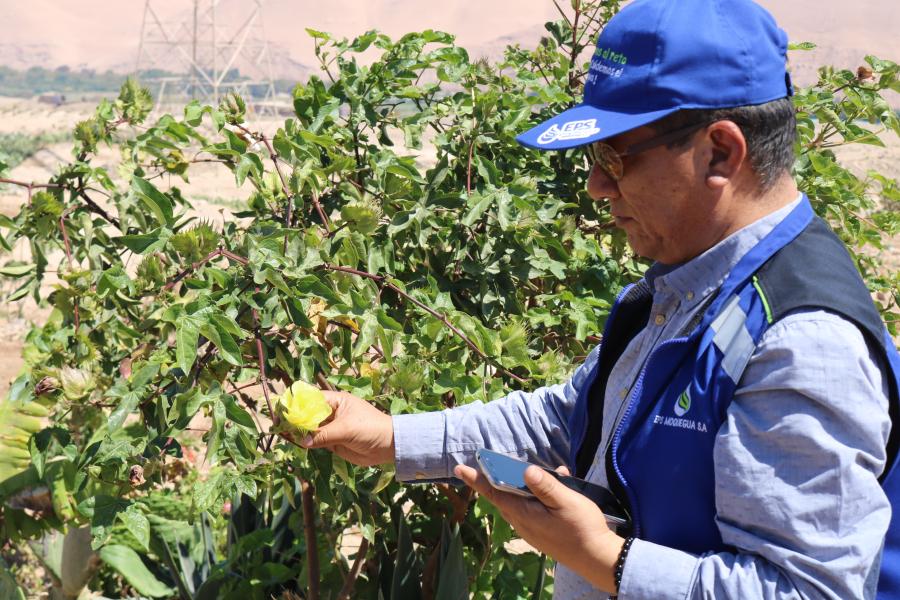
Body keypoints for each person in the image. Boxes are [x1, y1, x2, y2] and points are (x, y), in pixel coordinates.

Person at [300, 0, 900, 597]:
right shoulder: (689, 284)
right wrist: (393, 438)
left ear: (720, 151)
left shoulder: (802, 341)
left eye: (615, 156)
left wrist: (603, 558)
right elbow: (576, 416)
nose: (596, 186)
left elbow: (807, 591)